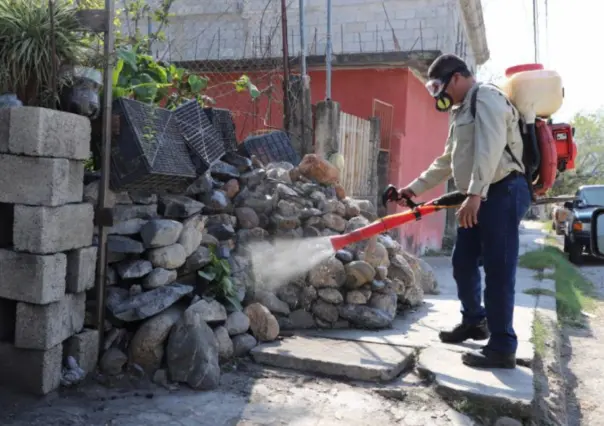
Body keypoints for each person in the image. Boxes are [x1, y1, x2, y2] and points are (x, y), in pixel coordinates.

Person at [397, 54, 531, 369]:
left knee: (498, 270)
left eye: (438, 87)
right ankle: (475, 322)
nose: (439, 95)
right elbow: (447, 160)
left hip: (503, 191)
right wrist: (413, 189)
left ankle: (502, 347)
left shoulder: (487, 97)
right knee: (462, 261)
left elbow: (491, 146)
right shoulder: (461, 110)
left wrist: (475, 193)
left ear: (456, 78)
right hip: (481, 193)